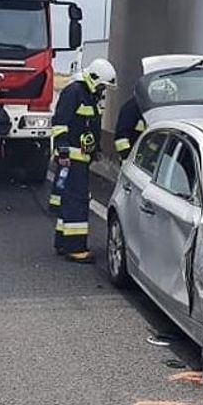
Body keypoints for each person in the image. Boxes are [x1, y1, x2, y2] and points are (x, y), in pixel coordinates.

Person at [51, 58, 116, 263]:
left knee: (72, 199)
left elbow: (88, 127)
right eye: (103, 85)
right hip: (72, 157)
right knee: (77, 201)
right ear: (95, 78)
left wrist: (95, 149)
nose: (103, 90)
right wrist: (62, 149)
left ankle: (63, 241)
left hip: (81, 157)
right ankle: (75, 247)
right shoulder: (74, 92)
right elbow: (60, 122)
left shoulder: (88, 95)